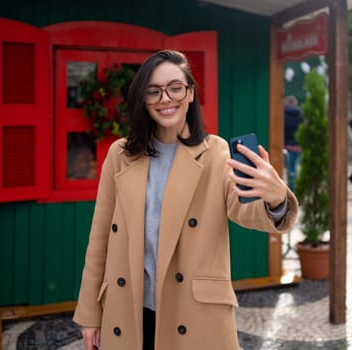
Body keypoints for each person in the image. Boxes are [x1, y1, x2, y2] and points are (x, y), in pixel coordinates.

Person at [73, 50, 299, 350]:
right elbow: (100, 238)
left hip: (193, 314)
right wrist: (90, 313)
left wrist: (275, 198)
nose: (165, 98)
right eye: (153, 91)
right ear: (143, 99)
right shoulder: (120, 155)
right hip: (128, 310)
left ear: (190, 93)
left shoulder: (215, 152)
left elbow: (245, 210)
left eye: (175, 88)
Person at [283, 95, 303, 190]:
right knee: (297, 168)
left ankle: (291, 189)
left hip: (287, 146)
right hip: (298, 146)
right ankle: (297, 188)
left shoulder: (283, 115)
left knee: (289, 170)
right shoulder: (300, 115)